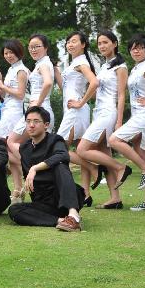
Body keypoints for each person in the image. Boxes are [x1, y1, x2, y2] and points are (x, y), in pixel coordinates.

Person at [8, 107, 85, 231]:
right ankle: (62, 221)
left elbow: (63, 155)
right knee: (14, 210)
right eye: (28, 121)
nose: (31, 125)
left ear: (46, 125)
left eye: (36, 121)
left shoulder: (55, 140)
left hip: (64, 195)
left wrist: (35, 168)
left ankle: (73, 215)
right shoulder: (24, 148)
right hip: (43, 203)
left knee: (60, 165)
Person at [108, 34, 145, 211]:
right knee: (141, 151)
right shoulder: (137, 68)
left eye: (140, 48)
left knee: (114, 140)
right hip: (140, 115)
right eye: (133, 48)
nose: (136, 51)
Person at [78, 30, 128, 209]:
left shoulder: (120, 67)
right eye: (99, 43)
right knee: (103, 154)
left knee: (82, 149)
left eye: (105, 42)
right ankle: (115, 198)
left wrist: (119, 120)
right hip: (98, 112)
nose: (102, 46)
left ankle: (121, 167)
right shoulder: (105, 66)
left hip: (109, 113)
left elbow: (121, 95)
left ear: (115, 44)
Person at [5, 34, 55, 202]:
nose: (33, 49)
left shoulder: (43, 65)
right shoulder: (42, 63)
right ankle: (21, 187)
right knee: (17, 146)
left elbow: (48, 83)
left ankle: (34, 170)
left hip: (38, 111)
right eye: (31, 47)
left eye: (37, 46)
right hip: (38, 111)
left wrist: (36, 105)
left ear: (46, 48)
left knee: (11, 142)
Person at [56, 31, 99, 204]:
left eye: (74, 41)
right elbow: (66, 88)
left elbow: (94, 82)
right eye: (68, 42)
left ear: (83, 45)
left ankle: (93, 168)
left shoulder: (81, 62)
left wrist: (81, 102)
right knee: (81, 151)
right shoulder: (74, 63)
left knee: (58, 148)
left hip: (76, 111)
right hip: (74, 110)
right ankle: (86, 194)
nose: (70, 44)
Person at [0, 39, 29, 196]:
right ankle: (18, 188)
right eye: (6, 53)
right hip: (7, 110)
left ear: (18, 52)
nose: (8, 56)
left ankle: (28, 167)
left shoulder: (21, 70)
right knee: (7, 148)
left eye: (11, 52)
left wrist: (2, 86)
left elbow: (20, 94)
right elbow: (5, 93)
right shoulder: (12, 69)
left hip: (15, 112)